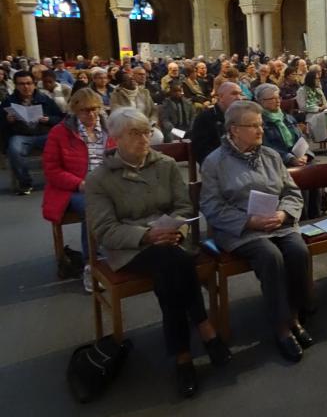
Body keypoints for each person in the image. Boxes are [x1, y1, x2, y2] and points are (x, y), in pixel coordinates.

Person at [86, 108, 231, 397]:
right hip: (130, 247)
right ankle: (203, 327)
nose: (144, 138)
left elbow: (184, 207)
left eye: (147, 131)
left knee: (171, 265)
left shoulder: (165, 164)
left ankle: (182, 357)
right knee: (173, 261)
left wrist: (173, 229)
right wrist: (147, 235)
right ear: (115, 138)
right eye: (134, 133)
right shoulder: (100, 179)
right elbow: (105, 229)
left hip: (173, 238)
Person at [200, 101, 312, 362]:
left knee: (297, 251)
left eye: (261, 125)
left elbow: (291, 192)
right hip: (240, 230)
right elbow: (211, 205)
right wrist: (250, 222)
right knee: (270, 256)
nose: (261, 130)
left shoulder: (271, 156)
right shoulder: (215, 162)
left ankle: (295, 316)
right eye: (254, 126)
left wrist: (283, 213)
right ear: (234, 130)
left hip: (277, 222)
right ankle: (282, 328)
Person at [42, 88, 114, 288]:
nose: (91, 114)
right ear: (74, 110)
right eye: (85, 111)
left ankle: (126, 253)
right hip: (72, 189)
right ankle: (93, 264)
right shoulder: (60, 132)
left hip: (106, 184)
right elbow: (52, 170)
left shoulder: (110, 129)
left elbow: (119, 158)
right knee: (93, 207)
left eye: (94, 109)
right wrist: (79, 183)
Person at [1, 71, 63, 194]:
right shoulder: (9, 101)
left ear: (34, 84)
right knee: (14, 150)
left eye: (29, 83)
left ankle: (61, 179)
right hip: (21, 135)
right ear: (16, 85)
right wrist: (7, 120)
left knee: (63, 145)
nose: (26, 87)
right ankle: (25, 183)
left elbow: (61, 118)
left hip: (44, 134)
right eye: (21, 84)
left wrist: (49, 119)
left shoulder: (44, 99)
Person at [190, 81, 243, 165]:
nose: (239, 98)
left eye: (240, 94)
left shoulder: (242, 117)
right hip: (217, 166)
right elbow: (201, 151)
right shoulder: (205, 118)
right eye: (234, 94)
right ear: (221, 97)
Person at [297, 70, 327, 156]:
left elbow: (326, 103)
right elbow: (303, 106)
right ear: (311, 79)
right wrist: (319, 108)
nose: (318, 81)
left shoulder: (318, 90)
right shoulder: (301, 90)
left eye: (319, 79)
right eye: (316, 79)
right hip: (311, 115)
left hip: (323, 113)